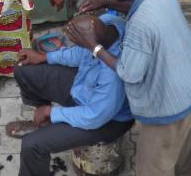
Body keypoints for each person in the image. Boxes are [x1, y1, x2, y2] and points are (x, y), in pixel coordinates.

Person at [68, 0, 191, 176]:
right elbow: (135, 1)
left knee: (155, 168)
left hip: (169, 107)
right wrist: (106, 3)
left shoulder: (139, 26)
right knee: (184, 156)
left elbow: (129, 72)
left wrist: (93, 46)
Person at [11, 14, 133, 176]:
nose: (77, 47)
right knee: (23, 70)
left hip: (107, 121)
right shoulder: (108, 23)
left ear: (92, 44)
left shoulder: (112, 76)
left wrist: (53, 112)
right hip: (86, 90)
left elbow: (94, 116)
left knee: (32, 145)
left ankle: (46, 122)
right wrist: (45, 57)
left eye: (82, 45)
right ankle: (43, 122)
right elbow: (77, 54)